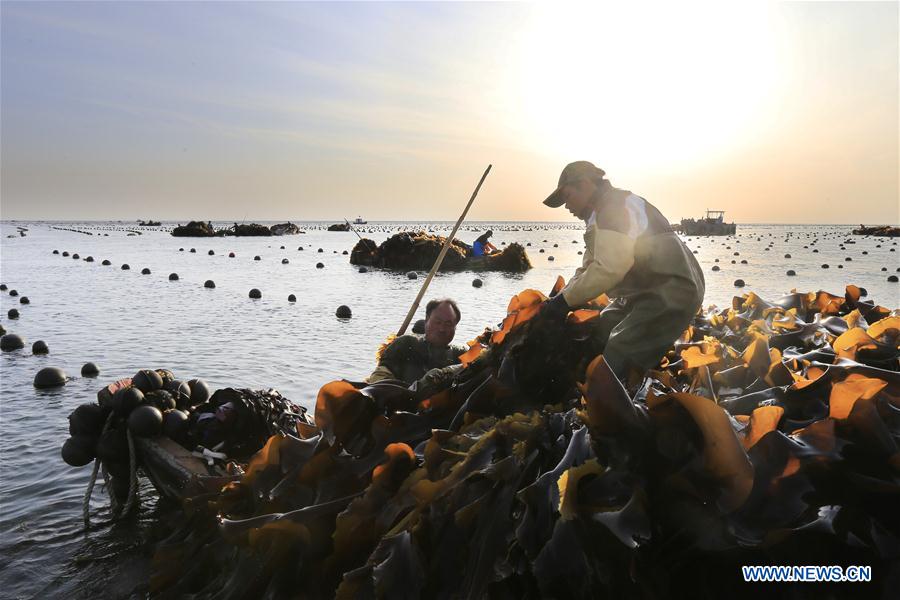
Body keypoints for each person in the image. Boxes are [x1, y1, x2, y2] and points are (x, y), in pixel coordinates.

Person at [540, 161, 705, 381]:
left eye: (567, 197)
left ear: (586, 184)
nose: (566, 206)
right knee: (600, 331)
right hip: (642, 291)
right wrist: (560, 298)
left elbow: (610, 268)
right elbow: (589, 268)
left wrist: (563, 302)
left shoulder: (614, 208)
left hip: (671, 291)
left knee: (618, 353)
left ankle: (617, 400)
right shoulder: (599, 214)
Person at [367, 298, 468, 399]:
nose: (441, 329)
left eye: (448, 324)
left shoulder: (460, 355)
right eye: (437, 322)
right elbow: (378, 377)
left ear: (455, 327)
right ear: (427, 320)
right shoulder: (406, 344)